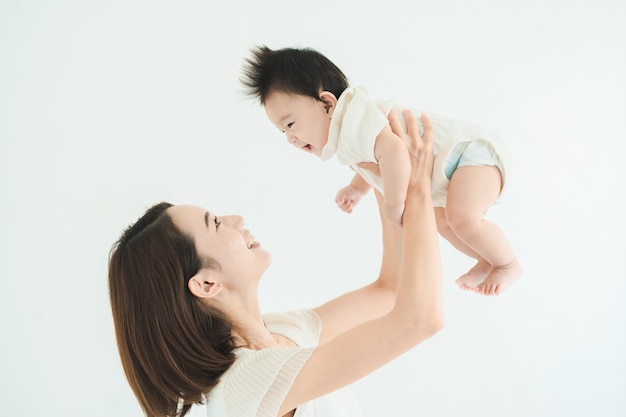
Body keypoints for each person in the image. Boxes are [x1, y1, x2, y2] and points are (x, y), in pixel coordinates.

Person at [108, 108, 443, 417]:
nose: (236, 218)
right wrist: (417, 188)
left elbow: (390, 290)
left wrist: (380, 168)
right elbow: (420, 319)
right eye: (215, 223)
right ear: (206, 283)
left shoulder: (280, 331)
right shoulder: (245, 380)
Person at [240, 44, 522, 296]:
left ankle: (507, 264)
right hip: (453, 170)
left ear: (327, 104)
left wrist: (393, 204)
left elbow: (394, 151)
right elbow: (374, 164)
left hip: (468, 155)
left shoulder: (354, 119)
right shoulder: (347, 134)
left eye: (290, 125)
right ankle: (486, 258)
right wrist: (357, 187)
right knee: (444, 221)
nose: (289, 138)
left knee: (461, 218)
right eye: (282, 132)